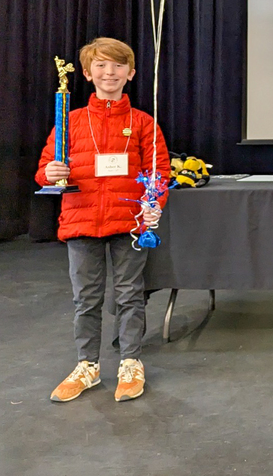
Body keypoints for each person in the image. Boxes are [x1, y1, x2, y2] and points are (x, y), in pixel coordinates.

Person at [36, 37, 170, 402]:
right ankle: (87, 366)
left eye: (117, 66)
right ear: (87, 73)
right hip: (81, 222)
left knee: (130, 296)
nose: (109, 72)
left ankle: (130, 361)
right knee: (86, 299)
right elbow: (44, 172)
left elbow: (158, 173)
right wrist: (51, 171)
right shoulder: (71, 122)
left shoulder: (143, 123)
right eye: (101, 65)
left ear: (131, 73)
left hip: (129, 223)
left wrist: (153, 202)